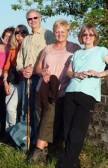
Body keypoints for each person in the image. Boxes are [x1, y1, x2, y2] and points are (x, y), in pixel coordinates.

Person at [27, 19, 81, 163]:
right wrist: (43, 73)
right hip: (44, 89)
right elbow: (38, 68)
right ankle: (44, 153)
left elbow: (82, 63)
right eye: (57, 31)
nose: (60, 34)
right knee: (40, 119)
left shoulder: (74, 48)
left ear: (68, 33)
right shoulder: (48, 48)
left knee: (50, 120)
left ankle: (37, 152)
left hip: (62, 90)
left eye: (63, 31)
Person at [58, 24, 108, 168]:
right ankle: (74, 163)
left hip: (87, 94)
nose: (87, 37)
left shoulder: (101, 50)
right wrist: (76, 74)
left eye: (90, 35)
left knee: (77, 131)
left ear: (95, 37)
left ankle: (65, 164)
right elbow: (68, 72)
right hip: (71, 92)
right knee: (67, 130)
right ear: (81, 36)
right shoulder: (77, 53)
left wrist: (100, 74)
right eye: (85, 34)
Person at [16, 9, 55, 145]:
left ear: (40, 18)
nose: (32, 21)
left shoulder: (48, 35)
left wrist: (35, 70)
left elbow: (52, 56)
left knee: (40, 111)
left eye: (35, 18)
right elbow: (19, 60)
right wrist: (23, 69)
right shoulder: (26, 39)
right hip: (27, 79)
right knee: (27, 110)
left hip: (40, 78)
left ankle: (40, 144)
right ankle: (27, 141)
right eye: (29, 19)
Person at [3, 25, 29, 132]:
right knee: (7, 105)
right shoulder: (13, 49)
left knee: (11, 107)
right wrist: (5, 82)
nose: (19, 35)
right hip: (12, 80)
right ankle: (7, 131)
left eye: (22, 32)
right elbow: (6, 68)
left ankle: (13, 133)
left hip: (23, 80)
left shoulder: (28, 47)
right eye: (17, 33)